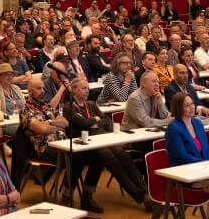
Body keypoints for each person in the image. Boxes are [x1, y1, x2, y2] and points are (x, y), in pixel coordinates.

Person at [60, 77, 147, 211]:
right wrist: (93, 121)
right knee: (107, 157)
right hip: (84, 144)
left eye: (87, 88)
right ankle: (139, 197)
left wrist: (94, 122)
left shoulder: (91, 104)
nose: (87, 91)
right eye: (83, 88)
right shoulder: (69, 107)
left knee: (122, 155)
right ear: (73, 90)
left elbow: (106, 121)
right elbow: (83, 124)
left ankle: (144, 192)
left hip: (101, 137)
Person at [0, 64, 24, 137]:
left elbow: (25, 106)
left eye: (11, 75)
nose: (10, 77)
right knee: (25, 130)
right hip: (7, 124)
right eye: (6, 75)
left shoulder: (16, 88)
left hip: (21, 121)